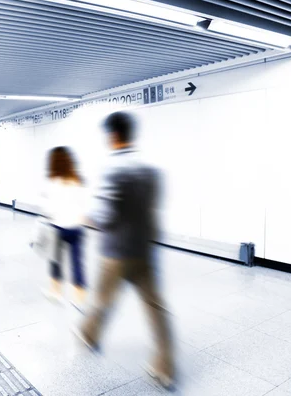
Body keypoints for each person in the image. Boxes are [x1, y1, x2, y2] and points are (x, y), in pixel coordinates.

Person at [75, 112, 175, 389]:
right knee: (155, 307)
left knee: (103, 300)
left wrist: (86, 218)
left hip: (115, 254)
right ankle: (165, 367)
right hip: (143, 250)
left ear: (113, 135)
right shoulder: (149, 168)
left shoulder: (112, 169)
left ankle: (89, 334)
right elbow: (151, 208)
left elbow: (105, 216)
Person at [41, 147, 87, 306]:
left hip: (58, 227)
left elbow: (48, 209)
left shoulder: (52, 182)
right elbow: (85, 204)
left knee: (56, 261)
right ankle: (80, 299)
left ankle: (56, 292)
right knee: (77, 262)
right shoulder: (78, 180)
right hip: (77, 227)